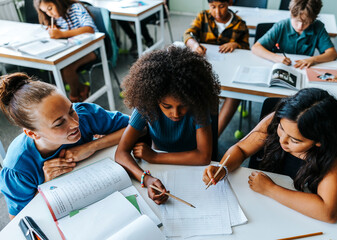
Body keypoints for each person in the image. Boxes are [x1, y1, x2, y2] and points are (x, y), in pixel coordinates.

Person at [203, 88, 337, 223]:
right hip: (259, 205)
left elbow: (328, 212)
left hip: (297, 217)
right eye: (281, 128)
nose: (282, 140)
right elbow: (241, 148)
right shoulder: (280, 120)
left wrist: (270, 189)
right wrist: (222, 167)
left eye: (294, 140)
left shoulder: (330, 157)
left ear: (319, 141)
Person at [0, 73, 129, 219]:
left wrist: (92, 146)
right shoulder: (18, 168)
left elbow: (139, 125)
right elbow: (19, 220)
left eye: (71, 110)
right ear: (33, 134)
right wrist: (46, 185)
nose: (75, 123)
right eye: (59, 123)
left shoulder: (84, 114)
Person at [115, 46, 220, 205]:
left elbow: (203, 156)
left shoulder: (198, 105)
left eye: (183, 105)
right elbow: (121, 153)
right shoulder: (146, 105)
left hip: (192, 170)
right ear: (154, 99)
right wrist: (147, 179)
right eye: (167, 106)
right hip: (161, 170)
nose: (176, 113)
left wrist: (154, 157)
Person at [183, 0, 250, 137]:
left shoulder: (240, 24)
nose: (217, 12)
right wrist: (195, 46)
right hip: (207, 71)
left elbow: (247, 50)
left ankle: (213, 137)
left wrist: (235, 44)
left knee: (233, 95)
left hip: (229, 72)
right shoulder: (203, 16)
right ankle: (193, 133)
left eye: (222, 6)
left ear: (229, 3)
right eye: (213, 7)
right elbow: (188, 35)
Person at [34, 0, 98, 102]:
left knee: (68, 69)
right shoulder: (55, 18)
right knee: (54, 69)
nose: (49, 13)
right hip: (72, 50)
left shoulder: (75, 8)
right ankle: (81, 88)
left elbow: (89, 29)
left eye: (50, 8)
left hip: (91, 49)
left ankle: (73, 98)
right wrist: (55, 30)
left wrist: (62, 34)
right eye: (45, 11)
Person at [252, 0, 337, 69]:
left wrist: (313, 59)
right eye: (297, 21)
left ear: (313, 19)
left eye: (306, 22)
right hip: (280, 66)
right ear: (291, 14)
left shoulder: (318, 27)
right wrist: (276, 58)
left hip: (302, 69)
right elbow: (256, 48)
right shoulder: (281, 26)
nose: (300, 26)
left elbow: (333, 54)